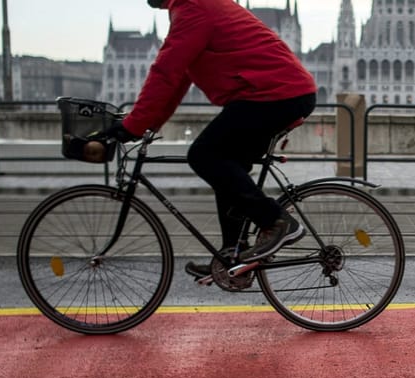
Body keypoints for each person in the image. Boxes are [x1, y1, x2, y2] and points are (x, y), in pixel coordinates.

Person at [106, 0, 318, 277]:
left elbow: (165, 72)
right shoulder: (191, 8)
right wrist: (148, 125)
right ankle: (233, 257)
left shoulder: (193, 8)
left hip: (275, 94)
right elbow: (177, 79)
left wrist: (133, 125)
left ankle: (276, 222)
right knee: (226, 169)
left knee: (205, 155)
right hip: (276, 93)